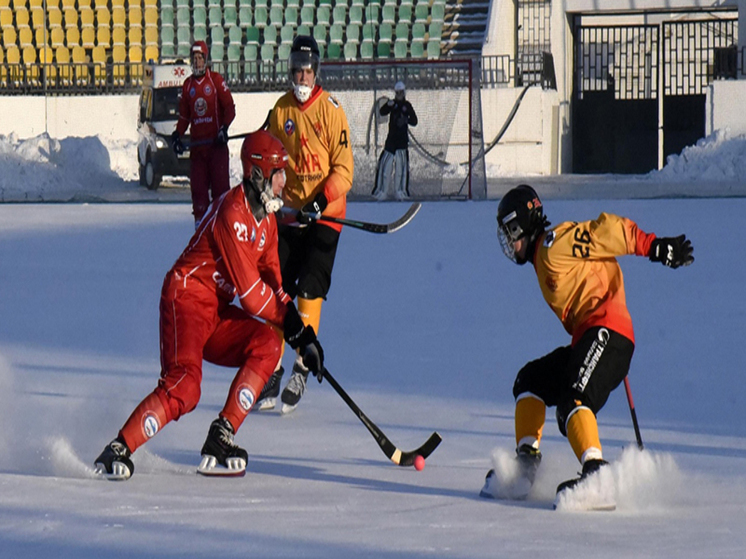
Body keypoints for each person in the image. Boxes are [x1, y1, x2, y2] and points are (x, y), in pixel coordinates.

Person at [93, 131, 324, 480]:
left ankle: (221, 435)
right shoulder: (232, 212)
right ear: (258, 174)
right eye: (278, 174)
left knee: (266, 344)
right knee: (186, 386)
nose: (283, 182)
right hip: (185, 297)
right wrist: (293, 327)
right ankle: (118, 448)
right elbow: (250, 294)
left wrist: (303, 338)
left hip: (215, 307)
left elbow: (275, 288)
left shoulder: (268, 225)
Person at [481, 184, 694, 501]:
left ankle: (596, 473)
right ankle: (525, 463)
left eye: (511, 231)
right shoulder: (542, 258)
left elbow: (604, 231)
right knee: (530, 380)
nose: (510, 243)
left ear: (522, 224)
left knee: (573, 400)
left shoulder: (554, 245)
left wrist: (654, 246)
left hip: (609, 332)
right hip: (590, 336)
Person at [256, 34, 354, 415]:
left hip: (326, 214)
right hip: (291, 213)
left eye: (307, 70)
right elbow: (268, 155)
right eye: (296, 69)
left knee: (310, 285)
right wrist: (267, 188)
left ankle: (301, 362)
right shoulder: (281, 110)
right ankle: (272, 367)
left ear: (316, 71)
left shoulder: (332, 110)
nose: (301, 76)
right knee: (276, 284)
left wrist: (318, 200)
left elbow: (345, 171)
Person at [171, 41, 236, 230]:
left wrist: (224, 129)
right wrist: (177, 134)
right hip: (198, 149)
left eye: (200, 58)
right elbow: (184, 117)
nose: (197, 62)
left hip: (216, 148)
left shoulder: (215, 81)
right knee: (198, 191)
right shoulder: (188, 85)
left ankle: (222, 228)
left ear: (206, 60)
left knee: (220, 193)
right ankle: (200, 229)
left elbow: (229, 108)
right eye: (194, 59)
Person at [372, 81, 418, 201]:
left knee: (401, 168)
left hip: (402, 141)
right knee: (385, 165)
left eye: (401, 93)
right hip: (391, 140)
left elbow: (414, 121)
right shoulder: (392, 104)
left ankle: (400, 191)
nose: (399, 95)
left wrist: (405, 120)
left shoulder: (407, 106)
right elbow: (382, 112)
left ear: (404, 92)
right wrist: (388, 105)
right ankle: (381, 191)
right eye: (397, 93)